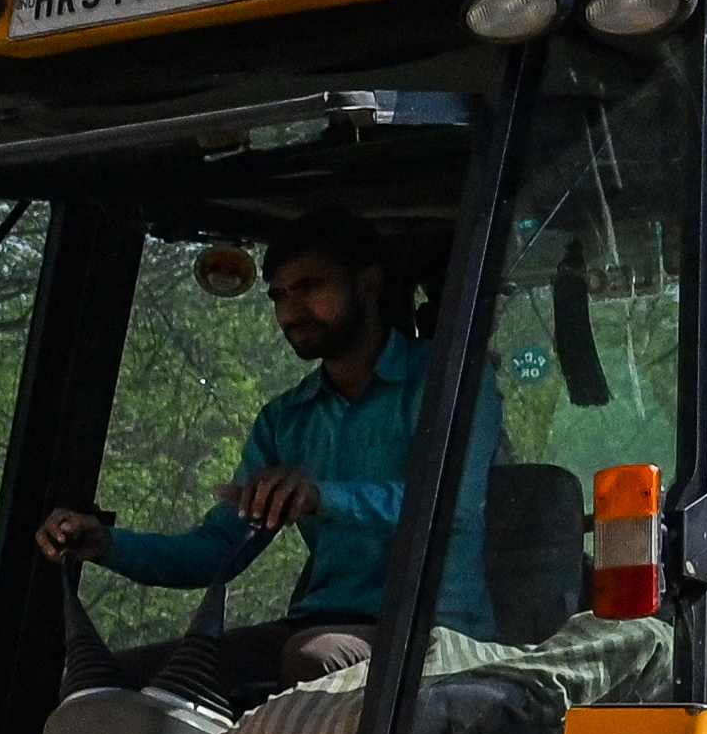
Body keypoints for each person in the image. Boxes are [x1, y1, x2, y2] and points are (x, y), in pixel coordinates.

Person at [34, 213, 478, 700]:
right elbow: (215, 549)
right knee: (113, 686)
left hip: (437, 630)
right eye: (279, 297)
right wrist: (106, 545)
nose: (291, 312)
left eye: (309, 287)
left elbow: (450, 505)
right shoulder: (287, 419)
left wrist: (320, 496)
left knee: (314, 658)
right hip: (318, 624)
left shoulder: (450, 380)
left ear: (368, 285)